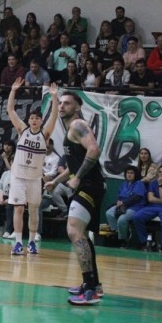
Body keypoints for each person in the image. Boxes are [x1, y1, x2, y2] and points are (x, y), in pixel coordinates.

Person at [44, 92, 105, 305]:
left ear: (77, 107)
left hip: (89, 185)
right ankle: (93, 284)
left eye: (67, 103)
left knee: (74, 231)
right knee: (83, 236)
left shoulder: (78, 124)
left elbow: (94, 150)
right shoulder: (71, 129)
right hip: (89, 185)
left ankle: (90, 290)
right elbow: (75, 163)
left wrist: (77, 178)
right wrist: (57, 180)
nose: (61, 106)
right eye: (60, 103)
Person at [6, 78, 59, 255]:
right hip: (18, 176)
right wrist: (13, 90)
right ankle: (18, 243)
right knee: (19, 208)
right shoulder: (22, 129)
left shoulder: (45, 133)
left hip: (35, 178)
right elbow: (10, 110)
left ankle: (32, 242)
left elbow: (54, 116)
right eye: (32, 118)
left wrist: (54, 97)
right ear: (28, 120)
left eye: (37, 118)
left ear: (41, 120)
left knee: (34, 209)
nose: (34, 120)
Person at [105, 166, 146, 248]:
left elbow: (136, 198)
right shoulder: (124, 183)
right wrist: (118, 202)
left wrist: (123, 203)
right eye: (127, 173)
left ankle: (123, 240)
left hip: (135, 207)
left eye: (131, 173)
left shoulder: (139, 183)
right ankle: (117, 234)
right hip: (123, 205)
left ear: (136, 174)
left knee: (122, 219)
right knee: (109, 213)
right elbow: (120, 196)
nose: (129, 175)